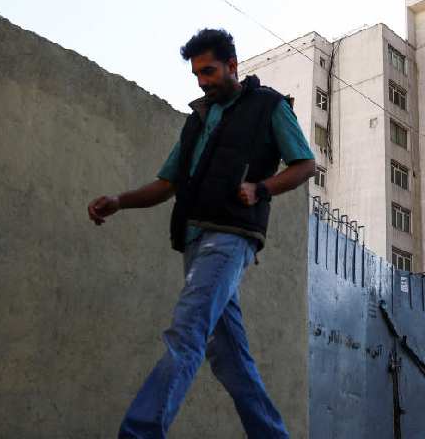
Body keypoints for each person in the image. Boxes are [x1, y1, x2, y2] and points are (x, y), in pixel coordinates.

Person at [87, 28, 314, 438]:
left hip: (230, 236)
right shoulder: (198, 120)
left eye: (209, 71)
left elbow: (304, 165)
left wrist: (261, 188)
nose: (202, 82)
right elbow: (167, 184)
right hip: (193, 241)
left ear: (232, 65)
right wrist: (119, 201)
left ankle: (138, 433)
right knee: (230, 360)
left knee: (186, 332)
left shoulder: (269, 106)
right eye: (196, 74)